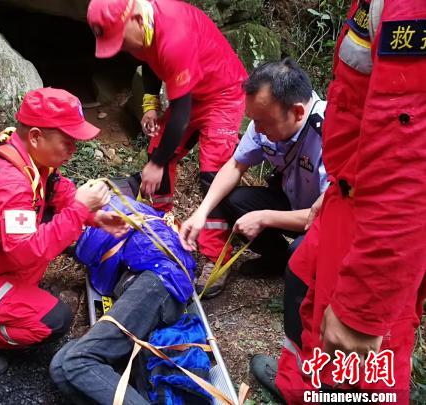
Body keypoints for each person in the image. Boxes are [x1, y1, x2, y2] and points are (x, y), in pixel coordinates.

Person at [251, 1, 426, 403]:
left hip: (384, 217)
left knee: (374, 357)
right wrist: (333, 193)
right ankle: (300, 387)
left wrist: (366, 306)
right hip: (349, 192)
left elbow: (410, 160)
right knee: (301, 271)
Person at [0, 88, 128, 375]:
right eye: (67, 142)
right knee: (54, 322)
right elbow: (26, 251)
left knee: (57, 228)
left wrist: (96, 217)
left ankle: (17, 298)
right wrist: (78, 209)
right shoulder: (10, 182)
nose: (72, 150)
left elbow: (61, 193)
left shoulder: (29, 158)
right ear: (36, 135)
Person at [87, 0, 247, 252]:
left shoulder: (174, 36)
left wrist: (157, 164)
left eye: (121, 40)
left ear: (137, 20)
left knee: (213, 172)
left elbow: (181, 116)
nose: (122, 48)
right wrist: (150, 105)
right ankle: (162, 219)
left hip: (223, 93)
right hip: (191, 91)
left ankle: (215, 253)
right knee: (158, 147)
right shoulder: (144, 26)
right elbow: (148, 61)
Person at [180, 58, 328, 298]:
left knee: (301, 256)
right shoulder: (267, 117)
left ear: (297, 113)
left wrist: (265, 217)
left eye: (262, 122)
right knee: (233, 200)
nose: (256, 129)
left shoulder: (329, 133)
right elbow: (236, 165)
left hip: (322, 222)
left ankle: (302, 273)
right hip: (292, 202)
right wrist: (201, 212)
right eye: (253, 120)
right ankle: (277, 259)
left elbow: (326, 215)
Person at [49, 194, 196, 404]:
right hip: (152, 280)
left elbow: (103, 279)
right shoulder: (125, 210)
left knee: (78, 361)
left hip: (160, 281)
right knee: (60, 367)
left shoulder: (109, 217)